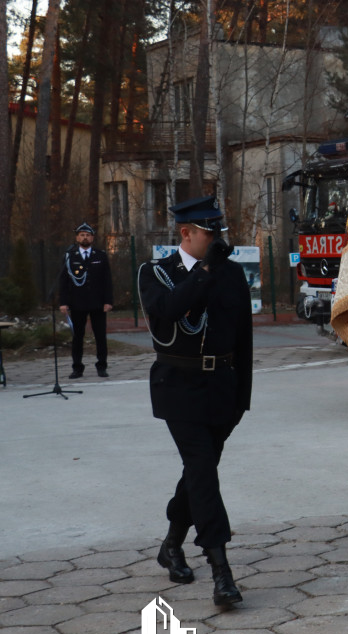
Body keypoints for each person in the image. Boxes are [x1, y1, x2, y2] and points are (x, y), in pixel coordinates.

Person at [137, 196, 252, 606]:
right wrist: (204, 271)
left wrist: (243, 397)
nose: (217, 238)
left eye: (219, 230)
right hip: (178, 387)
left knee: (197, 474)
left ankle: (171, 544)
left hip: (222, 386)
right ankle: (222, 571)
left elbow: (243, 338)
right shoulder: (156, 273)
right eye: (209, 232)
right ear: (186, 234)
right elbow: (168, 310)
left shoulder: (231, 274)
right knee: (203, 471)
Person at [59, 223, 113, 379]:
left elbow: (107, 280)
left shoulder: (100, 255)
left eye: (88, 235)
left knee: (100, 336)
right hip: (77, 303)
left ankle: (101, 366)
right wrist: (63, 302)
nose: (85, 237)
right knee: (77, 337)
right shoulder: (70, 256)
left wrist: (108, 301)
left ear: (92, 238)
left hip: (97, 303)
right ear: (77, 237)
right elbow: (64, 281)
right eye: (82, 235)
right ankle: (77, 368)